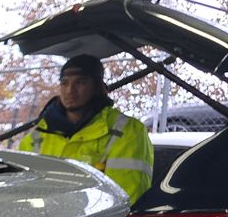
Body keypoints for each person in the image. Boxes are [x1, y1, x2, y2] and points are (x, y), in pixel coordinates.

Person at [17, 54, 153, 203]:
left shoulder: (127, 131)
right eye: (64, 83)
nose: (70, 90)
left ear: (97, 87)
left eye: (80, 82)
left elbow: (126, 199)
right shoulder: (36, 138)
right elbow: (21, 194)